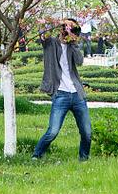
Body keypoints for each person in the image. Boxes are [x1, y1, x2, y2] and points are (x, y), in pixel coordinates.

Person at [33, 18, 91, 161]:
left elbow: (79, 61)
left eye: (71, 28)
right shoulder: (51, 43)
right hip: (61, 94)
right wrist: (56, 25)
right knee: (52, 131)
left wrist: (73, 42)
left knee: (87, 132)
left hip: (77, 94)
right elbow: (42, 35)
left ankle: (84, 159)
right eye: (66, 27)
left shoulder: (72, 46)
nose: (67, 30)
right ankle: (36, 155)